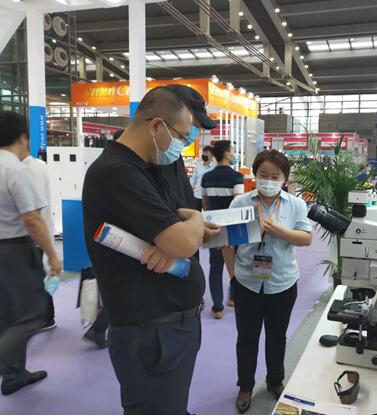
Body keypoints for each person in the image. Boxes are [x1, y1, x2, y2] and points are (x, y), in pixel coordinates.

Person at [82, 86, 220, 415]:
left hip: (178, 322)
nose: (184, 144)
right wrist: (190, 226)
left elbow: (183, 229)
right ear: (157, 125)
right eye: (183, 136)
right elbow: (184, 236)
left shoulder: (161, 164)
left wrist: (183, 234)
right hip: (149, 331)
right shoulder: (116, 172)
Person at [223, 150, 313, 413]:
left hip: (283, 281)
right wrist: (232, 274)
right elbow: (227, 242)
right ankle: (245, 385)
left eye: (276, 176)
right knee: (247, 337)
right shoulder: (240, 202)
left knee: (277, 336)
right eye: (264, 174)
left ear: (285, 178)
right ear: (255, 174)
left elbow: (306, 238)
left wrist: (279, 231)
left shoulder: (295, 204)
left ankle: (275, 380)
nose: (269, 180)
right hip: (247, 281)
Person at [0, 111, 62, 395]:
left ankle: (14, 375)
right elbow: (32, 219)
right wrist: (52, 254)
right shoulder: (16, 169)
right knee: (32, 314)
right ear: (23, 138)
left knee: (6, 316)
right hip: (14, 251)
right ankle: (9, 367)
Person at [201, 140, 244, 318]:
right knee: (236, 265)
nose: (234, 154)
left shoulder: (206, 177)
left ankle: (217, 307)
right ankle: (233, 297)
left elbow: (205, 203)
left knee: (215, 266)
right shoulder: (237, 177)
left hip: (213, 227)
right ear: (226, 154)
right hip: (232, 228)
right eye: (232, 151)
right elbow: (238, 203)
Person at [22, 147, 56, 331]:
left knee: (34, 277)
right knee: (37, 275)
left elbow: (31, 211)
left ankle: (45, 317)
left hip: (32, 233)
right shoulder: (40, 165)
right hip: (40, 231)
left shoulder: (23, 169)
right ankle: (46, 317)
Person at [190, 145, 216, 211]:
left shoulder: (215, 168)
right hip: (197, 195)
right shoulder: (198, 166)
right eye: (203, 152)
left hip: (209, 197)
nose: (204, 154)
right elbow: (193, 180)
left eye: (206, 153)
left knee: (208, 215)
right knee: (195, 214)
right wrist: (189, 191)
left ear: (212, 155)